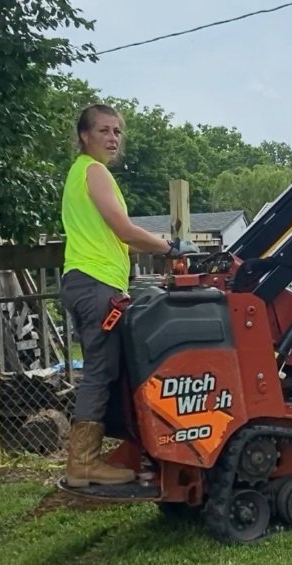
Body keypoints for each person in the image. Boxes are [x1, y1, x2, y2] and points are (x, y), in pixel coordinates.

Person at [60, 103, 198, 487]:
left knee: (110, 368)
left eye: (117, 132)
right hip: (96, 284)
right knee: (100, 371)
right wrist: (171, 248)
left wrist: (154, 246)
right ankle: (83, 463)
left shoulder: (79, 176)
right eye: (104, 131)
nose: (112, 138)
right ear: (84, 136)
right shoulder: (94, 171)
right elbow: (123, 229)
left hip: (88, 281)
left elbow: (116, 237)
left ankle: (118, 452)